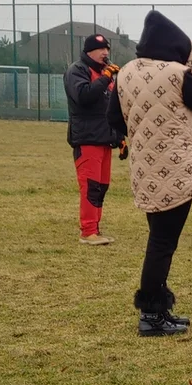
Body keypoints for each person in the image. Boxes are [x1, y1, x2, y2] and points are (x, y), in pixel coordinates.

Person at [106, 10, 192, 337]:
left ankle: (159, 307)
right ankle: (151, 315)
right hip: (176, 169)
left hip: (144, 169)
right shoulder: (176, 74)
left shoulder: (125, 74)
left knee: (159, 238)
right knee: (162, 243)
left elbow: (114, 119)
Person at [64, 34, 123, 245]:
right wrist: (106, 77)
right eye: (101, 49)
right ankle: (87, 232)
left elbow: (110, 110)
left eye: (107, 49)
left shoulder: (103, 75)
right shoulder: (77, 71)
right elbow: (84, 97)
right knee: (90, 187)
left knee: (101, 186)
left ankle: (95, 229)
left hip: (104, 139)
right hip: (87, 139)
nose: (105, 53)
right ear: (89, 51)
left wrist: (120, 137)